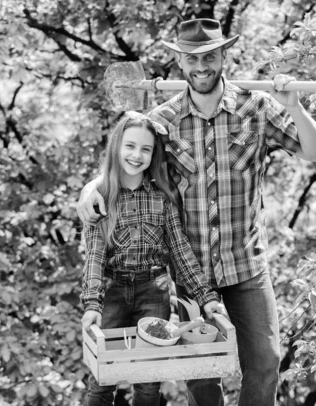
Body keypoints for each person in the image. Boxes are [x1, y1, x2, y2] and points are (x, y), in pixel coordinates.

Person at [77, 19, 316, 406]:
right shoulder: (164, 121)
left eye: (209, 56)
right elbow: (124, 161)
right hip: (192, 270)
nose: (201, 67)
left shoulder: (256, 108)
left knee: (265, 363)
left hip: (245, 264)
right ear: (179, 62)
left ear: (223, 55)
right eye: (191, 59)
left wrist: (293, 107)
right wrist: (89, 189)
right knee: (202, 377)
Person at [80, 111, 225, 406]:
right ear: (116, 147)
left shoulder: (162, 195)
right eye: (130, 146)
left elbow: (181, 251)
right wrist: (93, 304)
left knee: (148, 383)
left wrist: (206, 297)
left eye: (145, 149)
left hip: (153, 291)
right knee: (101, 381)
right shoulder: (101, 196)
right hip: (112, 292)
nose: (137, 155)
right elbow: (94, 255)